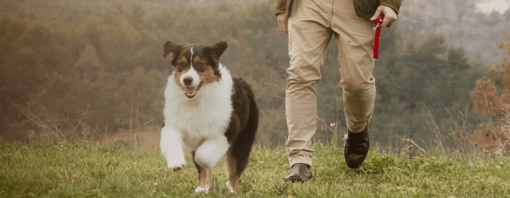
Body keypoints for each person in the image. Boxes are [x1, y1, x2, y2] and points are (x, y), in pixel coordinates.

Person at [275, 0, 402, 182]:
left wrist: (390, 3)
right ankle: (299, 161)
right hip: (306, 5)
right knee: (300, 76)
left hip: (358, 7)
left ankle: (357, 128)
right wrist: (281, 6)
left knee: (356, 82)